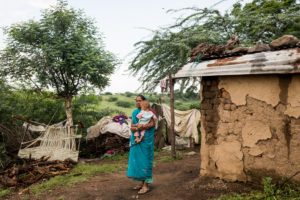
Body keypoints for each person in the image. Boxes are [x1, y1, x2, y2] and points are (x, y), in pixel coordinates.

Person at [127, 95, 156, 195]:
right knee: (138, 162)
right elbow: (131, 126)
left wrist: (141, 127)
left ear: (144, 101)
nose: (137, 103)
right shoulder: (135, 112)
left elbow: (152, 124)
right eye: (136, 101)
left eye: (139, 101)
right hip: (136, 139)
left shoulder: (150, 112)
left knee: (145, 161)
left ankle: (146, 185)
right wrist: (135, 128)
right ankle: (141, 182)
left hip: (146, 140)